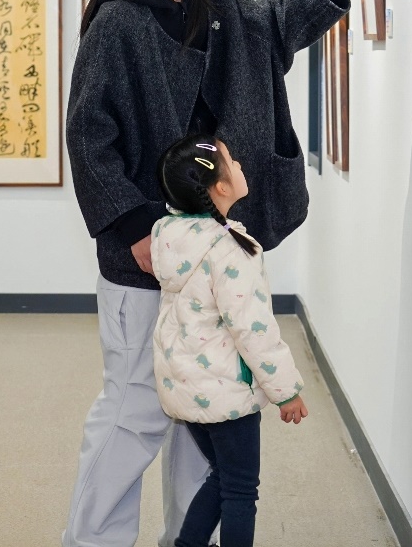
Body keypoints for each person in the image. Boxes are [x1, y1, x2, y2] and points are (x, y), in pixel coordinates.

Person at [63, 0, 354, 547]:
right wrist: (133, 227)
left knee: (208, 409)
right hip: (145, 256)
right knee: (135, 410)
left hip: (213, 246)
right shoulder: (117, 23)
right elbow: (88, 134)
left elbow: (270, 32)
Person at [151, 134, 308, 547]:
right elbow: (253, 330)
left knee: (223, 477)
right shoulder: (231, 249)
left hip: (187, 386)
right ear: (220, 187)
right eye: (232, 161)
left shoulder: (169, 234)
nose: (239, 165)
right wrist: (286, 390)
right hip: (227, 392)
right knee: (240, 489)